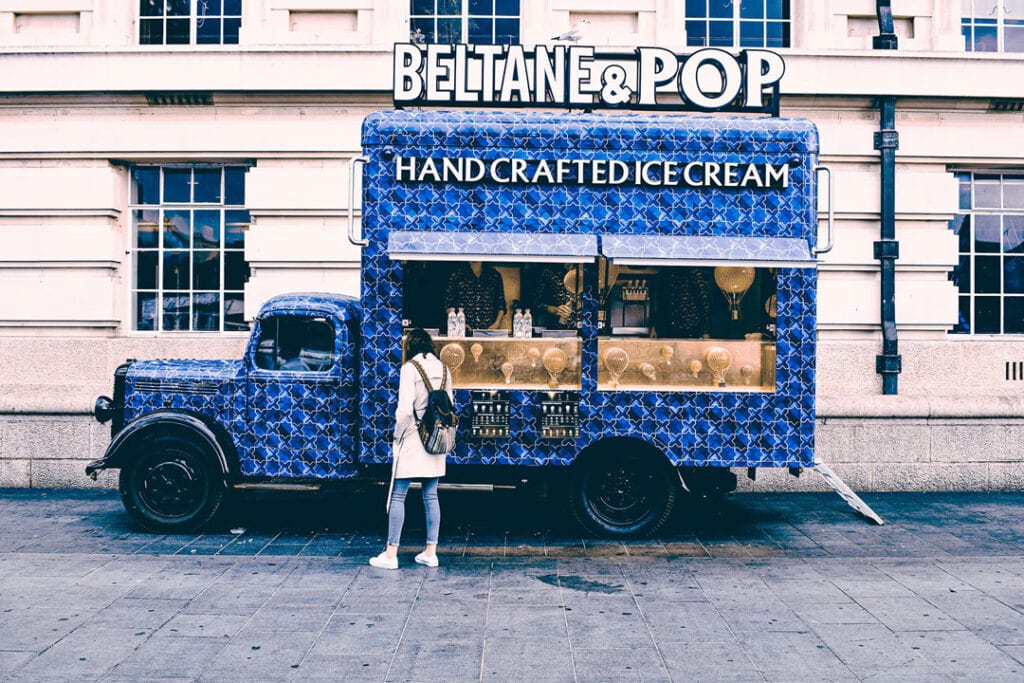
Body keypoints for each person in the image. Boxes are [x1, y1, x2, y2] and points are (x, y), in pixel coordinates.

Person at [369, 328, 452, 570]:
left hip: (412, 436)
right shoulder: (445, 369)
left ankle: (391, 553)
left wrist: (397, 435)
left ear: (410, 347)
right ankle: (430, 552)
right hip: (436, 439)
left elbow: (404, 410)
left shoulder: (409, 369)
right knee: (431, 495)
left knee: (398, 495)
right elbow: (450, 404)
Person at [444, 261, 506, 331]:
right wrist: (459, 323)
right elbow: (448, 304)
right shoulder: (457, 275)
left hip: (489, 329)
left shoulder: (494, 275)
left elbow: (501, 304)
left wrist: (496, 324)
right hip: (463, 330)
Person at [653, 267, 711, 339]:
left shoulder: (693, 273)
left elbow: (703, 302)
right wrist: (655, 326)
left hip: (689, 328)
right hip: (668, 327)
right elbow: (660, 304)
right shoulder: (665, 273)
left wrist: (705, 331)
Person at [532, 263, 578, 329]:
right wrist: (553, 309)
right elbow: (534, 302)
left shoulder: (585, 272)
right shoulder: (548, 272)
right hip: (556, 328)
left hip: (584, 327)